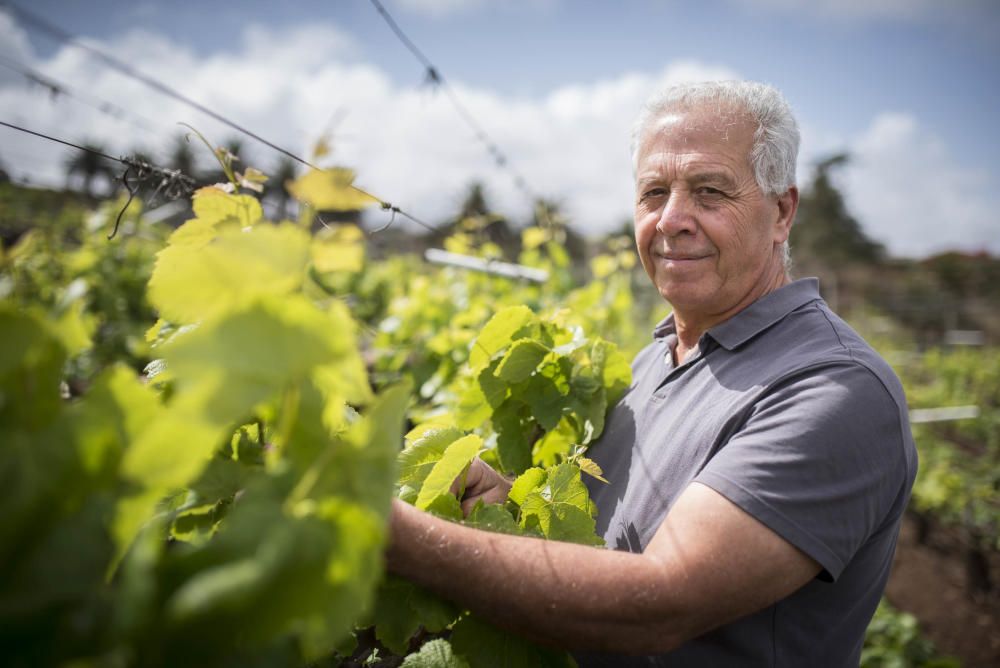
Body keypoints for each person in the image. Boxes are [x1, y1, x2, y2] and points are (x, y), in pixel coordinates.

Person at [386, 80, 918, 667]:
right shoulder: (655, 360)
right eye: (653, 193)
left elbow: (660, 601)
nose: (671, 220)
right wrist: (506, 502)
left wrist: (400, 539)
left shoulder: (833, 389)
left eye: (710, 192)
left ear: (781, 213)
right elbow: (617, 540)